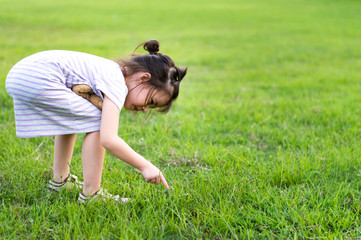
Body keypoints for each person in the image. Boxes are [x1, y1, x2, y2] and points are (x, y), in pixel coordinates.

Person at [5, 40, 187, 203]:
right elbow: (108, 139)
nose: (145, 108)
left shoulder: (111, 71)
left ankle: (60, 181)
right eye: (150, 101)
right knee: (98, 118)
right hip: (37, 77)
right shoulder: (117, 83)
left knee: (76, 117)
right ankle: (91, 194)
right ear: (143, 78)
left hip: (22, 74)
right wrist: (145, 166)